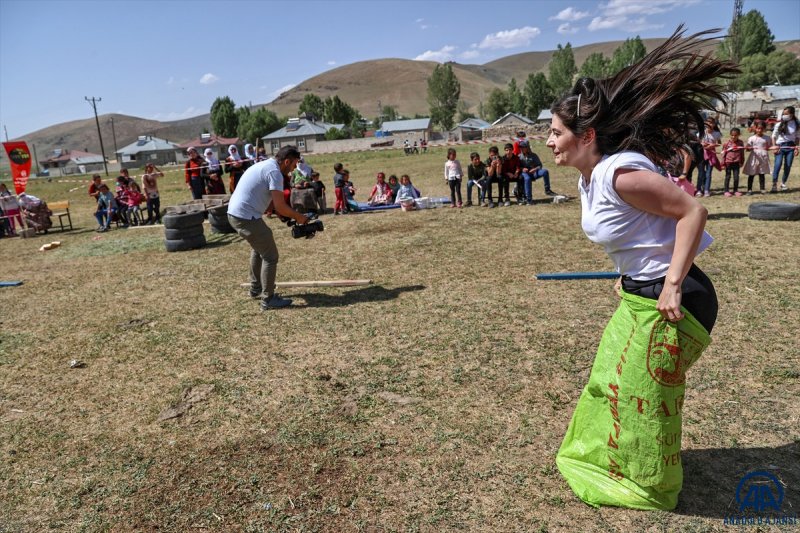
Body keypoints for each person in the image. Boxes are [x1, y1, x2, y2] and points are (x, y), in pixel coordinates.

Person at [545, 27, 733, 511]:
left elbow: (693, 211)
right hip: (641, 289)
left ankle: (651, 485)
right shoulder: (592, 177)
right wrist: (627, 274)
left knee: (644, 390)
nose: (549, 141)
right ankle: (622, 462)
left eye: (556, 132)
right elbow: (641, 234)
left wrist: (669, 285)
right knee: (612, 381)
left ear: (586, 136)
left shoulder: (620, 175)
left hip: (676, 297)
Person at [227, 145, 311, 311]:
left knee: (259, 249)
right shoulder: (274, 172)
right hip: (245, 216)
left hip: (236, 214)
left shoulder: (266, 165)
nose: (294, 169)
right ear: (286, 161)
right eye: (294, 165)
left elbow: (274, 201)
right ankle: (268, 298)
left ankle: (256, 288)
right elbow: (280, 205)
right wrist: (299, 217)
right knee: (270, 256)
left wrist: (282, 215)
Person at [771, 106, 799, 192]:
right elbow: (773, 136)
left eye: (786, 114)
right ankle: (774, 184)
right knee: (777, 165)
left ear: (792, 114)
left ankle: (783, 183)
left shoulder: (797, 124)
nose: (784, 115)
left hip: (791, 146)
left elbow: (797, 137)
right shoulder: (779, 124)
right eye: (783, 114)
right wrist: (774, 146)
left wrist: (796, 148)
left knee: (788, 165)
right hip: (780, 146)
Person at [743, 120, 772, 195]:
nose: (759, 130)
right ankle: (749, 190)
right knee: (751, 173)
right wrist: (748, 148)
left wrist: (775, 148)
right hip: (754, 157)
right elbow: (748, 148)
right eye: (758, 128)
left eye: (761, 128)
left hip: (763, 157)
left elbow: (769, 147)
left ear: (764, 129)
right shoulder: (751, 138)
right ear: (755, 128)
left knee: (762, 173)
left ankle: (762, 189)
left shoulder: (767, 138)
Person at [696, 118, 721, 197]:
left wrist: (713, 145)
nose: (709, 124)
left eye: (711, 123)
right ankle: (699, 190)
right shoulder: (701, 133)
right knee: (701, 173)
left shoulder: (717, 134)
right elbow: (697, 142)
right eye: (707, 123)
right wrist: (701, 144)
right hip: (701, 155)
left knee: (708, 173)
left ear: (714, 124)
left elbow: (719, 143)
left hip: (711, 155)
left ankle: (707, 190)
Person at [721, 127, 744, 197]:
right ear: (730, 135)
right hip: (728, 162)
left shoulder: (740, 143)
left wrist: (742, 161)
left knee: (736, 177)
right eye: (732, 135)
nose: (733, 137)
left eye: (735, 135)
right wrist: (723, 163)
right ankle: (726, 191)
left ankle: (735, 190)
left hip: (736, 162)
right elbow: (723, 153)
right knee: (728, 176)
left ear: (739, 135)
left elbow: (742, 152)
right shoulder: (726, 143)